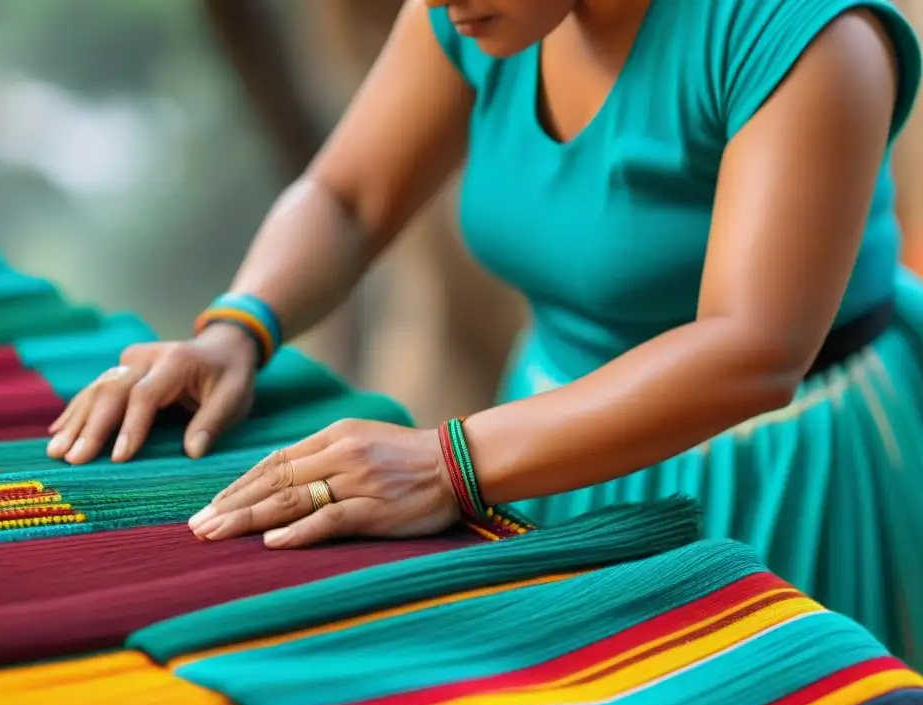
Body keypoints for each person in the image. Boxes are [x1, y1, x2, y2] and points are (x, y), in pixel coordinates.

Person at [47, 0, 923, 665]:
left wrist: (445, 464)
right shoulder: (476, 13)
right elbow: (349, 196)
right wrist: (237, 330)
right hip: (542, 433)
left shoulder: (808, 35)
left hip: (787, 461)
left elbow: (753, 351)